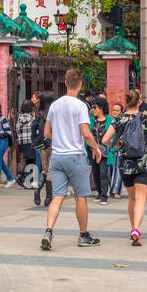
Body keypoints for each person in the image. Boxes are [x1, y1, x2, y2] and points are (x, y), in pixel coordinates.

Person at [41, 69, 103, 250]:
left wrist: (61, 138)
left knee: (57, 196)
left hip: (57, 156)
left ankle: (48, 232)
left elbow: (46, 133)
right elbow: (85, 133)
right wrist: (96, 147)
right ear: (80, 84)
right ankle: (83, 235)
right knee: (81, 197)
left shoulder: (54, 105)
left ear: (66, 83)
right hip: (75, 156)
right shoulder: (81, 106)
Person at [100, 90, 147, 245]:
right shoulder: (146, 117)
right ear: (139, 102)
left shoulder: (119, 119)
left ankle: (133, 227)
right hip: (144, 162)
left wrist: (117, 145)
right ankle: (136, 229)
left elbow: (105, 139)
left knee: (132, 198)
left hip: (125, 164)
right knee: (140, 199)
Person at [88, 98, 111, 204]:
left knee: (103, 173)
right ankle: (99, 192)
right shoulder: (92, 120)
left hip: (104, 152)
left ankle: (104, 195)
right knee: (95, 173)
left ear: (101, 108)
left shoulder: (109, 120)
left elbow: (114, 135)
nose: (93, 110)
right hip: (93, 150)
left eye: (95, 107)